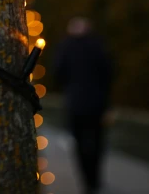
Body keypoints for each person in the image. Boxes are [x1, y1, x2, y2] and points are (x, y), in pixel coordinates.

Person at [54, 17, 112, 194]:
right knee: (97, 141)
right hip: (97, 103)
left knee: (80, 143)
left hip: (75, 103)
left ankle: (87, 180)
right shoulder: (98, 45)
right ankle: (94, 178)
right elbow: (108, 73)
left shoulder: (65, 46)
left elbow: (58, 73)